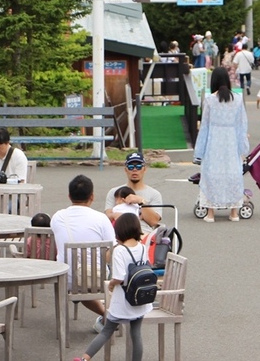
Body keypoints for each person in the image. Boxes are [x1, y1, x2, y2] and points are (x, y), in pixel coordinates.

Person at [73, 213, 153, 361]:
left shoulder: (120, 251)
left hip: (123, 300)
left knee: (106, 331)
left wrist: (110, 285)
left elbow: (119, 277)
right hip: (139, 298)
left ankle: (84, 359)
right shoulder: (142, 248)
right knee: (136, 334)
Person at [51, 175, 115, 331]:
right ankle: (110, 315)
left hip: (66, 280)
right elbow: (112, 252)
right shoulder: (101, 219)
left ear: (69, 196)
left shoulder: (58, 217)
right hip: (96, 279)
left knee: (79, 281)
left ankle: (107, 316)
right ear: (92, 196)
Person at [193, 67, 250, 223]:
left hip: (214, 141)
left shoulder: (210, 100)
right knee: (233, 173)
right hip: (231, 141)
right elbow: (242, 125)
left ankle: (210, 213)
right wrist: (243, 146)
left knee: (211, 173)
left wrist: (199, 151)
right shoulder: (237, 99)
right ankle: (234, 213)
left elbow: (204, 126)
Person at [104, 151, 162, 234]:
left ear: (144, 169)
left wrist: (141, 202)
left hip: (143, 232)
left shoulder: (154, 194)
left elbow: (153, 221)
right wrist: (115, 215)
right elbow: (106, 219)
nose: (135, 170)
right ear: (126, 170)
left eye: (138, 166)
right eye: (131, 167)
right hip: (119, 233)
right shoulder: (114, 192)